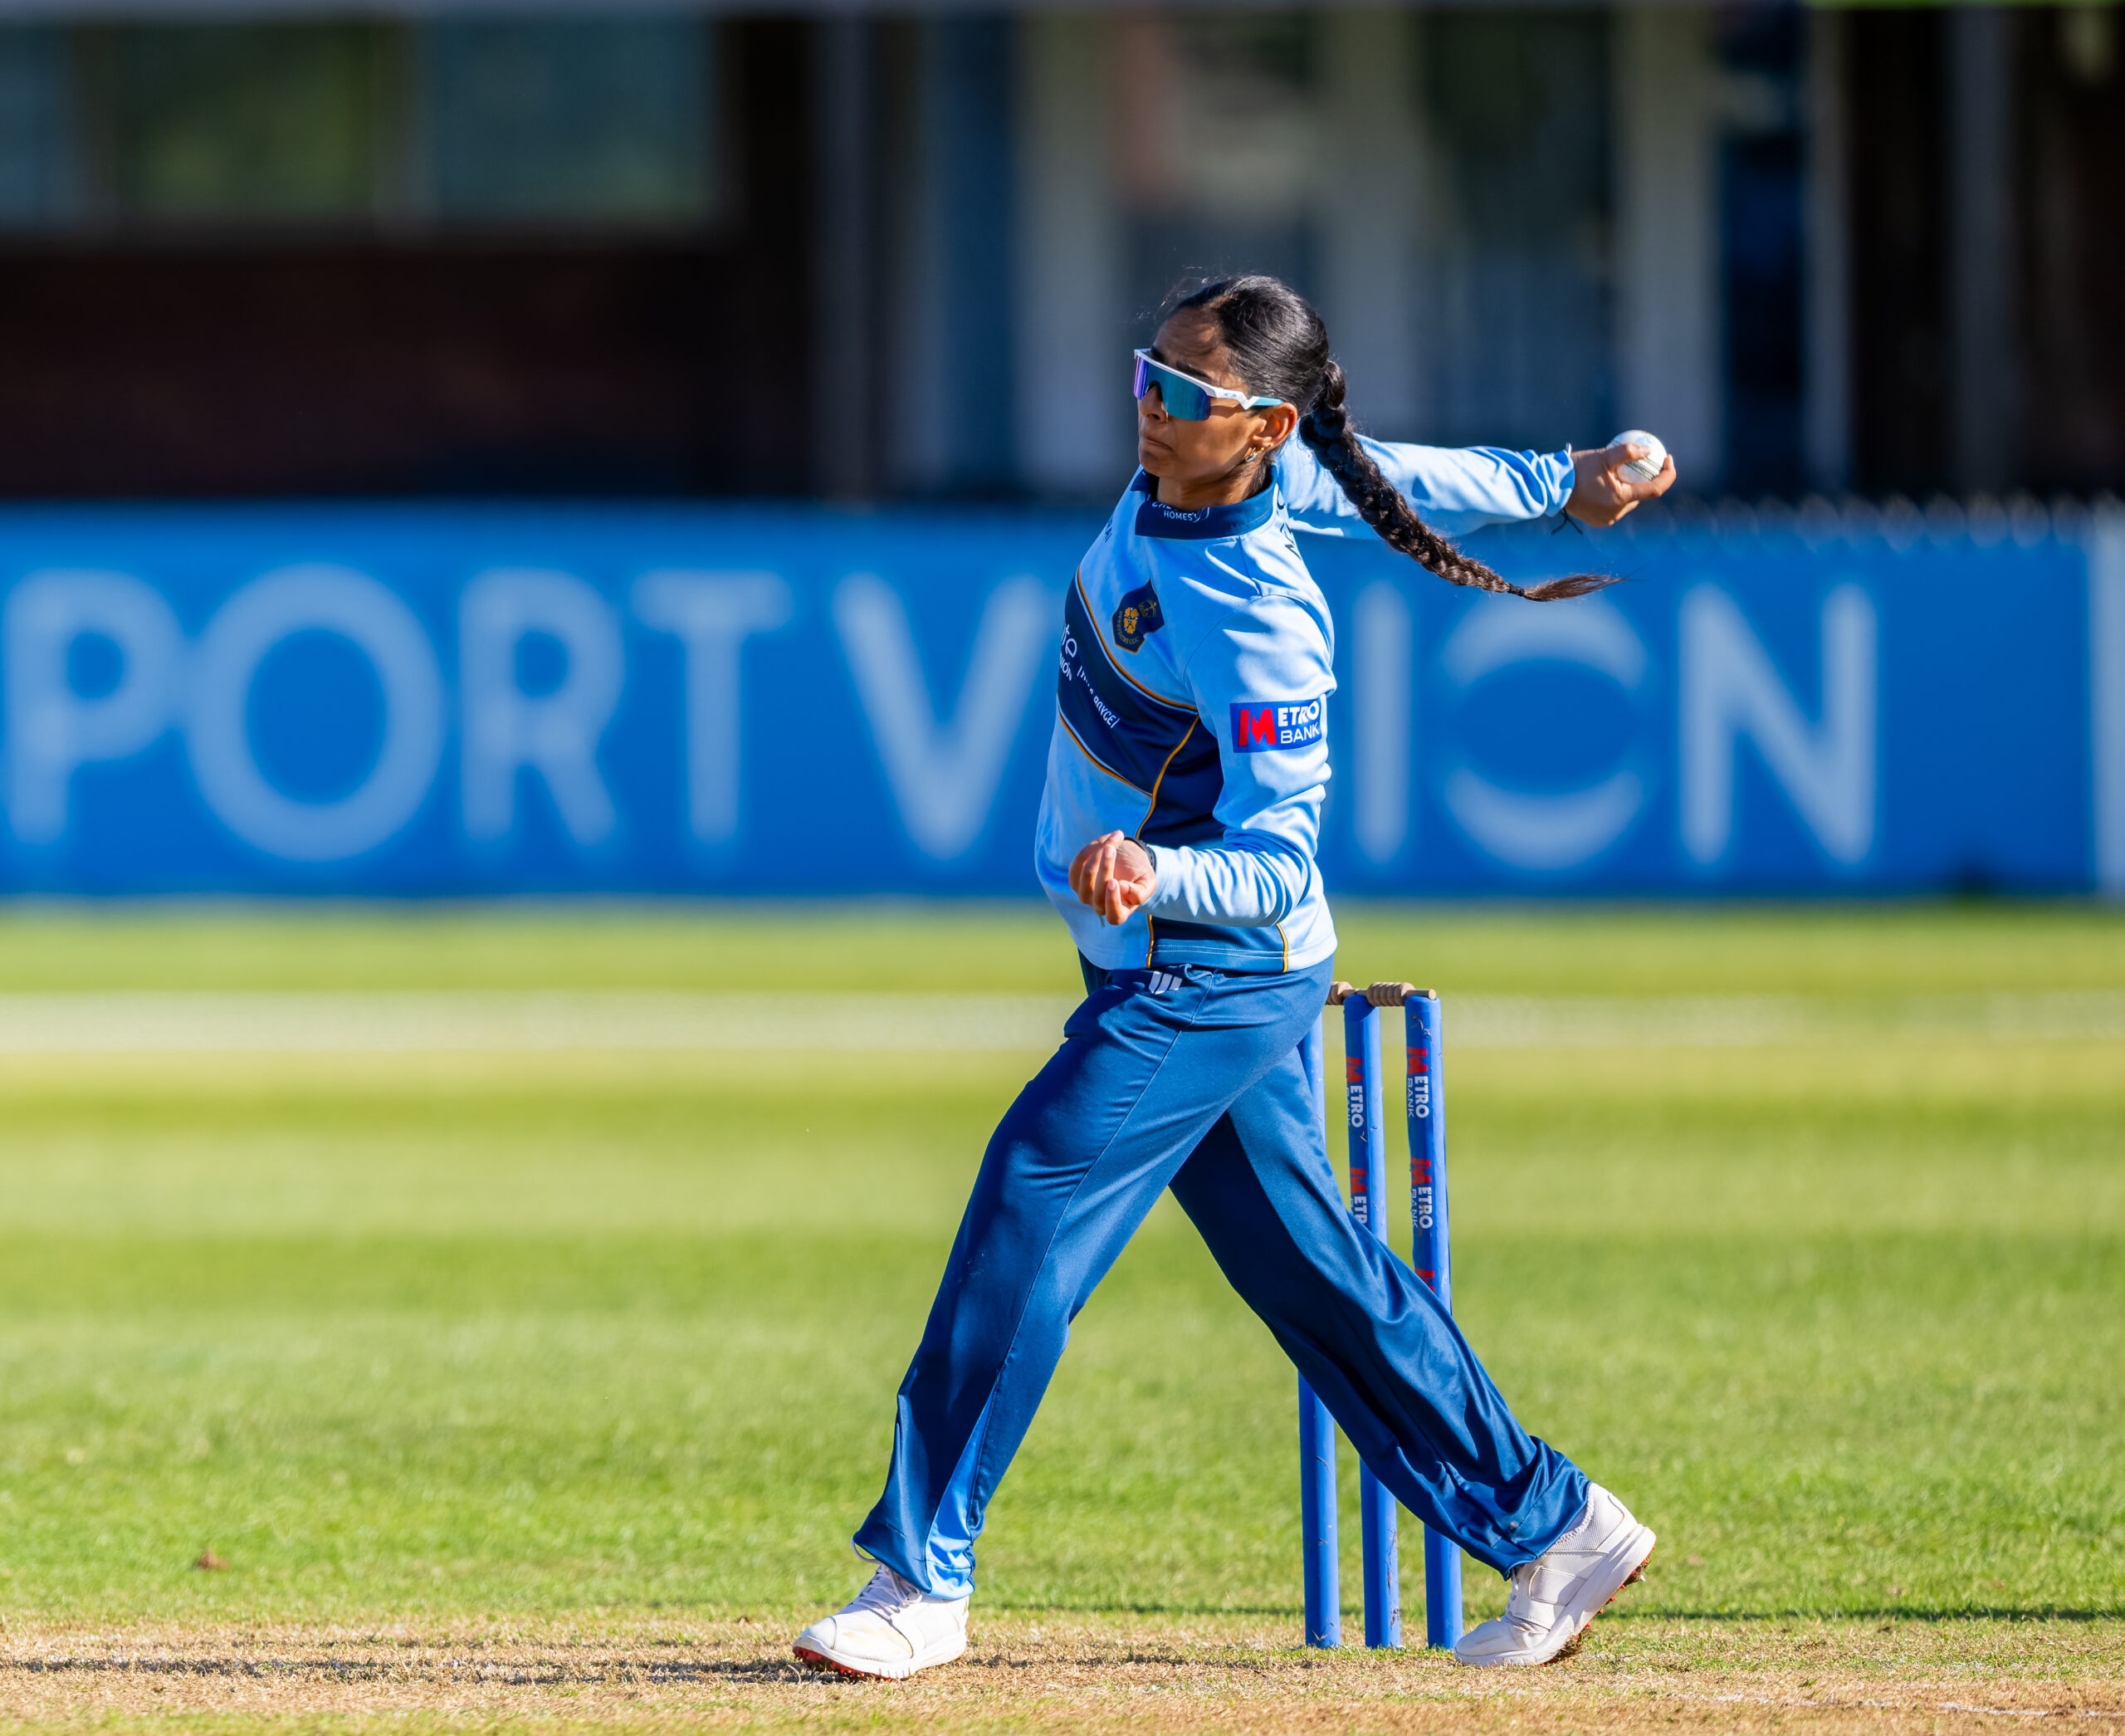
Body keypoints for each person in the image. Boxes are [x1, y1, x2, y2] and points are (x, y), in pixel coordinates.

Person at [793, 275, 1675, 1680]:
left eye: (1182, 395)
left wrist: (1162, 873)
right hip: (1182, 969)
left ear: (1259, 426)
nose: (1146, 408)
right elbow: (1412, 475)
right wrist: (1572, 481)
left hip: (1207, 973)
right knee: (1319, 1278)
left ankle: (920, 1582)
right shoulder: (1243, 475)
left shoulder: (1258, 611)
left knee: (1031, 1196)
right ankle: (1557, 1525)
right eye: (1145, 374)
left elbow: (1278, 855)